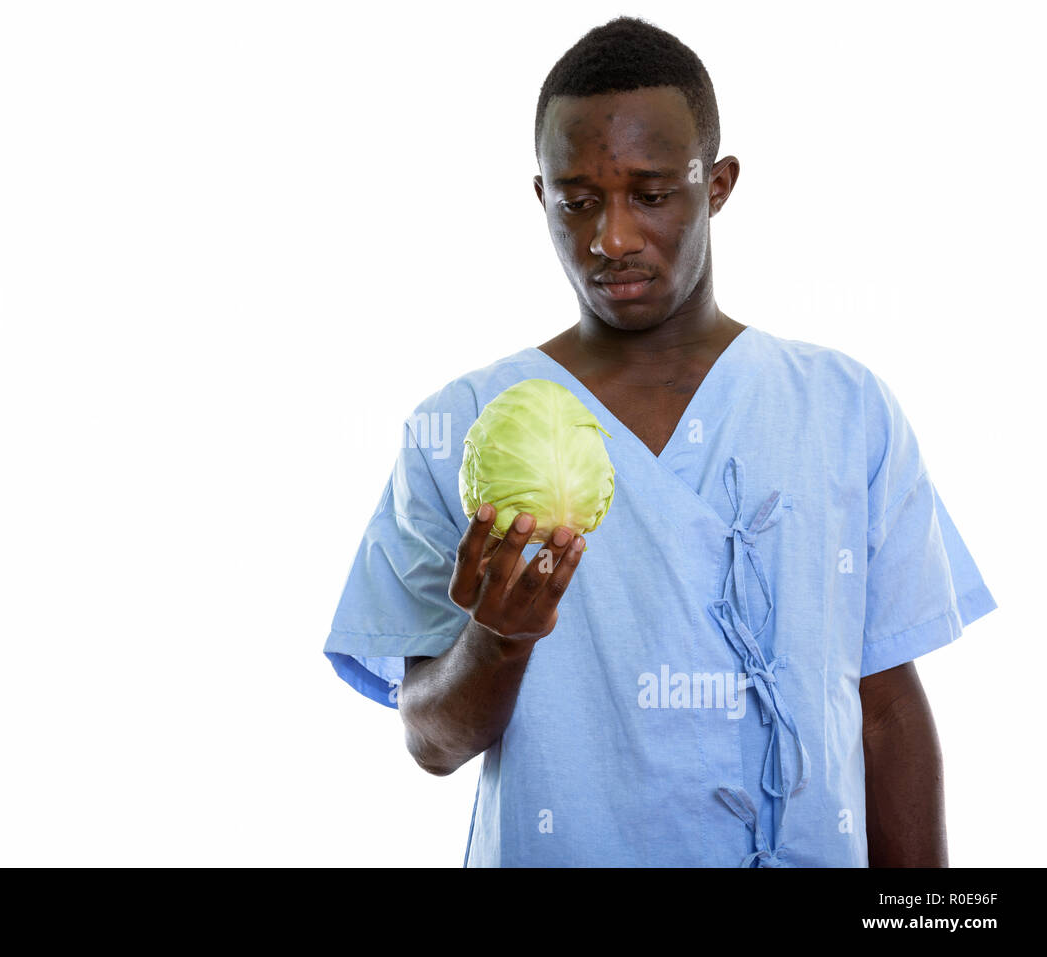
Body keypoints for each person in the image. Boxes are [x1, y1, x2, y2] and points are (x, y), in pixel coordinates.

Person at [321, 15, 996, 867]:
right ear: (541, 196)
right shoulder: (460, 425)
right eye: (577, 201)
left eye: (651, 194)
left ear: (717, 184)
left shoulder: (844, 407)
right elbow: (431, 741)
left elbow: (886, 709)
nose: (612, 238)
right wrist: (497, 638)